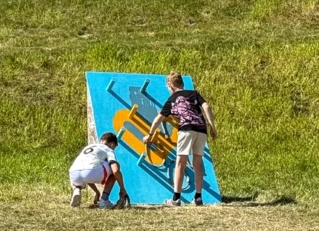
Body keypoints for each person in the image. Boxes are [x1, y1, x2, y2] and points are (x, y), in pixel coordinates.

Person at [143, 72, 217, 207]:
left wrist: (149, 134)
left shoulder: (172, 100)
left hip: (186, 129)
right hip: (201, 129)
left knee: (180, 163)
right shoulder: (194, 94)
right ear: (182, 83)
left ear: (170, 86)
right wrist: (212, 127)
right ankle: (198, 197)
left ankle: (176, 199)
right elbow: (206, 107)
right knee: (198, 163)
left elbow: (159, 118)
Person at [68, 132, 130, 209]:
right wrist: (122, 188)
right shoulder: (108, 149)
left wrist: (97, 192)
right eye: (114, 148)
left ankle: (77, 189)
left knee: (86, 169)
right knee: (115, 166)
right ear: (112, 145)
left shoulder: (88, 147)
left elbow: (86, 175)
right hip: (89, 171)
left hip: (73, 173)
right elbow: (115, 170)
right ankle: (104, 200)